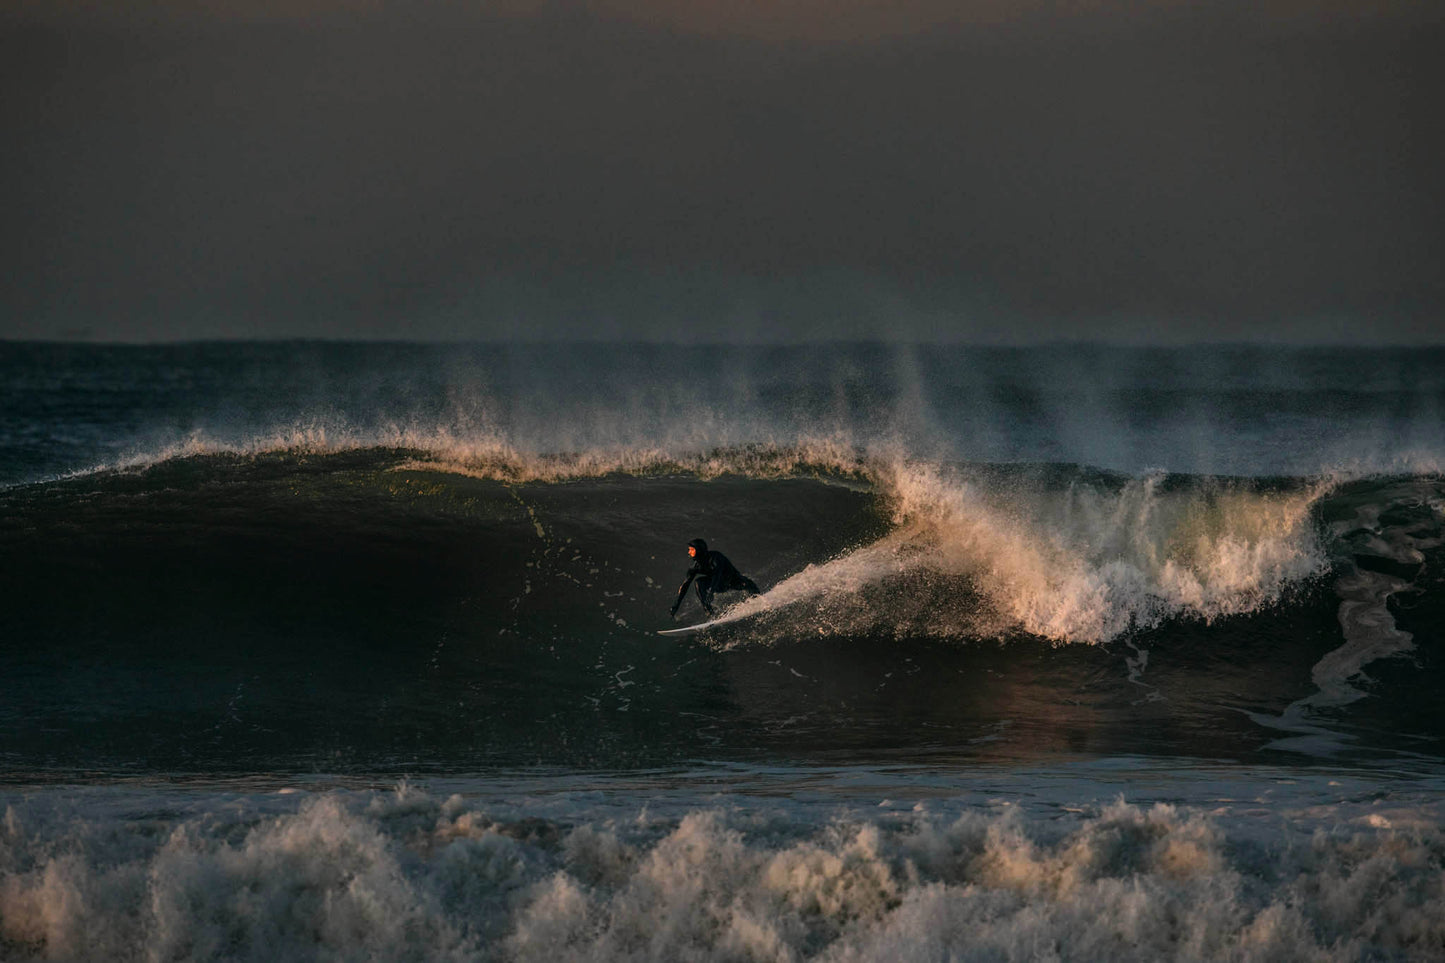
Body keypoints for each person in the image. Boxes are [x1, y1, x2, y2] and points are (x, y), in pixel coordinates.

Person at [670, 538, 760, 619]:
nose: (689, 552)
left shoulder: (716, 557)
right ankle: (709, 612)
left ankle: (759, 602)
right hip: (719, 585)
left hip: (733, 581)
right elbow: (685, 585)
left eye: (692, 549)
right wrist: (676, 605)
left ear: (699, 550)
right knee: (698, 582)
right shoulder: (695, 567)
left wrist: (711, 591)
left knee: (749, 585)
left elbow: (717, 574)